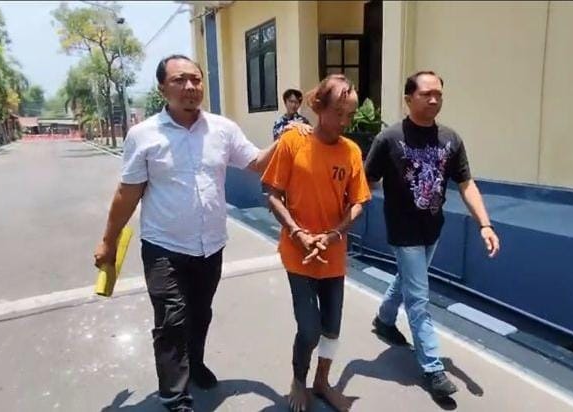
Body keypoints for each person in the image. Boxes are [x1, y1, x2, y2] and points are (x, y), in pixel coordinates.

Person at [92, 54, 302, 412]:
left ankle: (195, 363)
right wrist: (108, 241)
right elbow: (127, 194)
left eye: (196, 79)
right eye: (180, 80)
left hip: (210, 246)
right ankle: (176, 396)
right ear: (163, 88)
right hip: (163, 246)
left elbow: (256, 163)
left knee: (200, 313)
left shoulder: (222, 129)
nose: (190, 87)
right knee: (172, 318)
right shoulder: (144, 135)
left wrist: (288, 138)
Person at [364, 71, 501, 401]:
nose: (434, 99)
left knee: (409, 279)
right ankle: (433, 368)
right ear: (408, 98)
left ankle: (384, 320)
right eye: (426, 94)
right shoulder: (389, 139)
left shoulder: (450, 139)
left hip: (432, 228)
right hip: (403, 231)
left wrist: (485, 224)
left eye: (438, 94)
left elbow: (466, 183)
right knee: (419, 299)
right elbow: (366, 180)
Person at [262, 74, 371, 412]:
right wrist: (298, 233)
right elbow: (272, 194)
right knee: (309, 329)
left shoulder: (351, 151)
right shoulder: (293, 142)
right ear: (319, 107)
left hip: (332, 254)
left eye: (350, 114)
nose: (344, 121)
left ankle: (322, 381)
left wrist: (334, 234)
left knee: (332, 329)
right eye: (338, 112)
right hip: (298, 253)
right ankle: (299, 379)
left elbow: (358, 202)